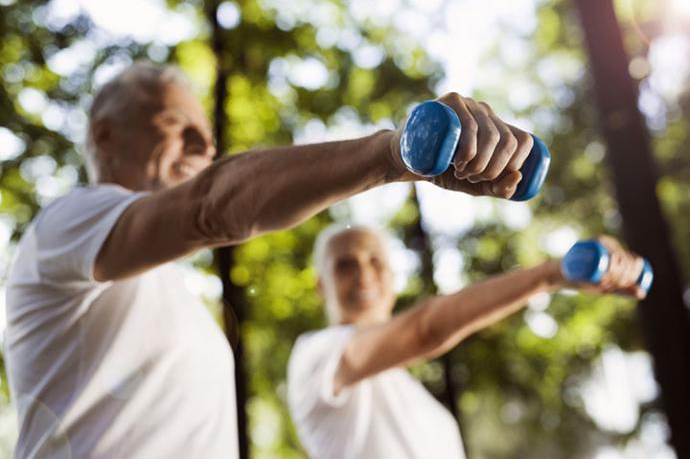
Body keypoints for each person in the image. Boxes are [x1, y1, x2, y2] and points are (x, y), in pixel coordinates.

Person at [5, 60, 539, 458]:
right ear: (104, 134)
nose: (202, 145)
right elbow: (211, 205)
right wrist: (394, 153)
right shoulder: (69, 222)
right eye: (177, 124)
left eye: (208, 137)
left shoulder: (175, 303)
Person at [287, 225, 646, 459]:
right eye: (344, 265)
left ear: (393, 280)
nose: (363, 273)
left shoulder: (412, 398)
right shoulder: (316, 356)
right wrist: (551, 274)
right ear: (321, 286)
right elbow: (423, 330)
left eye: (375, 261)